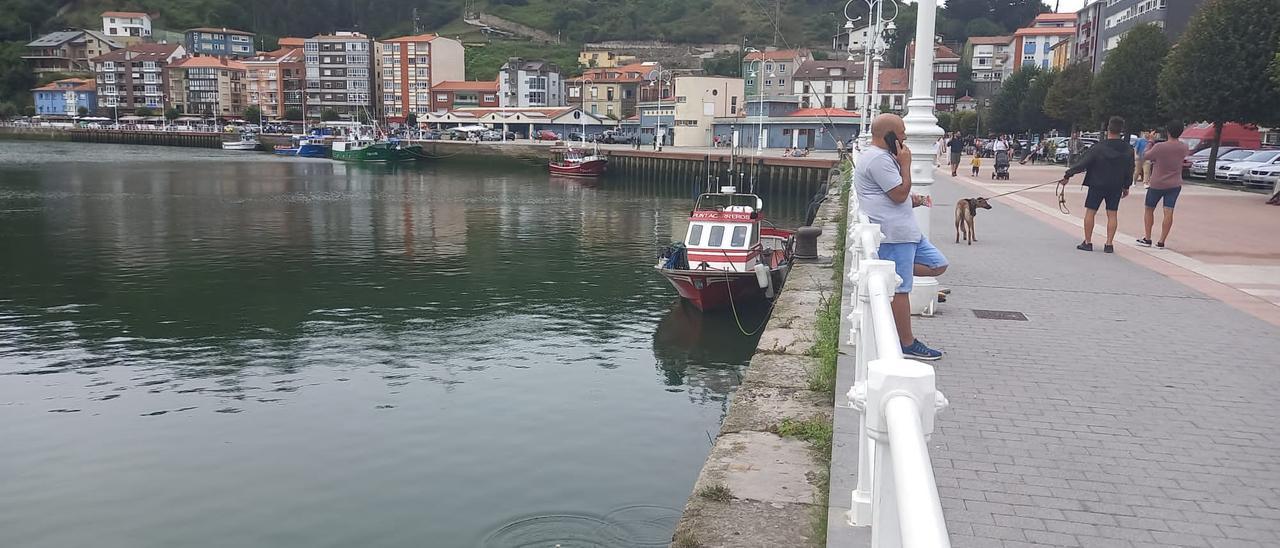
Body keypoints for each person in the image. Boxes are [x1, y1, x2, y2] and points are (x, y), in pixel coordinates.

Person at [852, 113, 948, 361]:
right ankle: (907, 343)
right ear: (889, 136)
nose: (905, 138)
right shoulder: (878, 160)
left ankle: (889, 272)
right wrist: (906, 164)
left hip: (906, 232)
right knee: (902, 289)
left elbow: (896, 193)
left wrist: (911, 199)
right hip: (894, 235)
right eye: (902, 133)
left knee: (937, 264)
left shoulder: (882, 158)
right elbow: (897, 194)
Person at [1063, 116, 1136, 254]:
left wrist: (1068, 174)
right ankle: (1109, 244)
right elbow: (1130, 168)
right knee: (1112, 214)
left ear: (1109, 128)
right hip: (1116, 185)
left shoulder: (1098, 147)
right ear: (1121, 130)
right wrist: (1126, 186)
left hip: (1097, 183)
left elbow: (1083, 163)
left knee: (1091, 212)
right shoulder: (1128, 149)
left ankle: (1088, 242)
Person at [1138, 121, 1189, 248]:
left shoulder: (1160, 147)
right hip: (1175, 183)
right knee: (1169, 211)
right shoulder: (1184, 147)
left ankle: (1147, 238)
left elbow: (1145, 156)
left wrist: (1150, 141)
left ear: (1167, 132)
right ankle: (1161, 241)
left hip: (1157, 183)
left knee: (1149, 209)